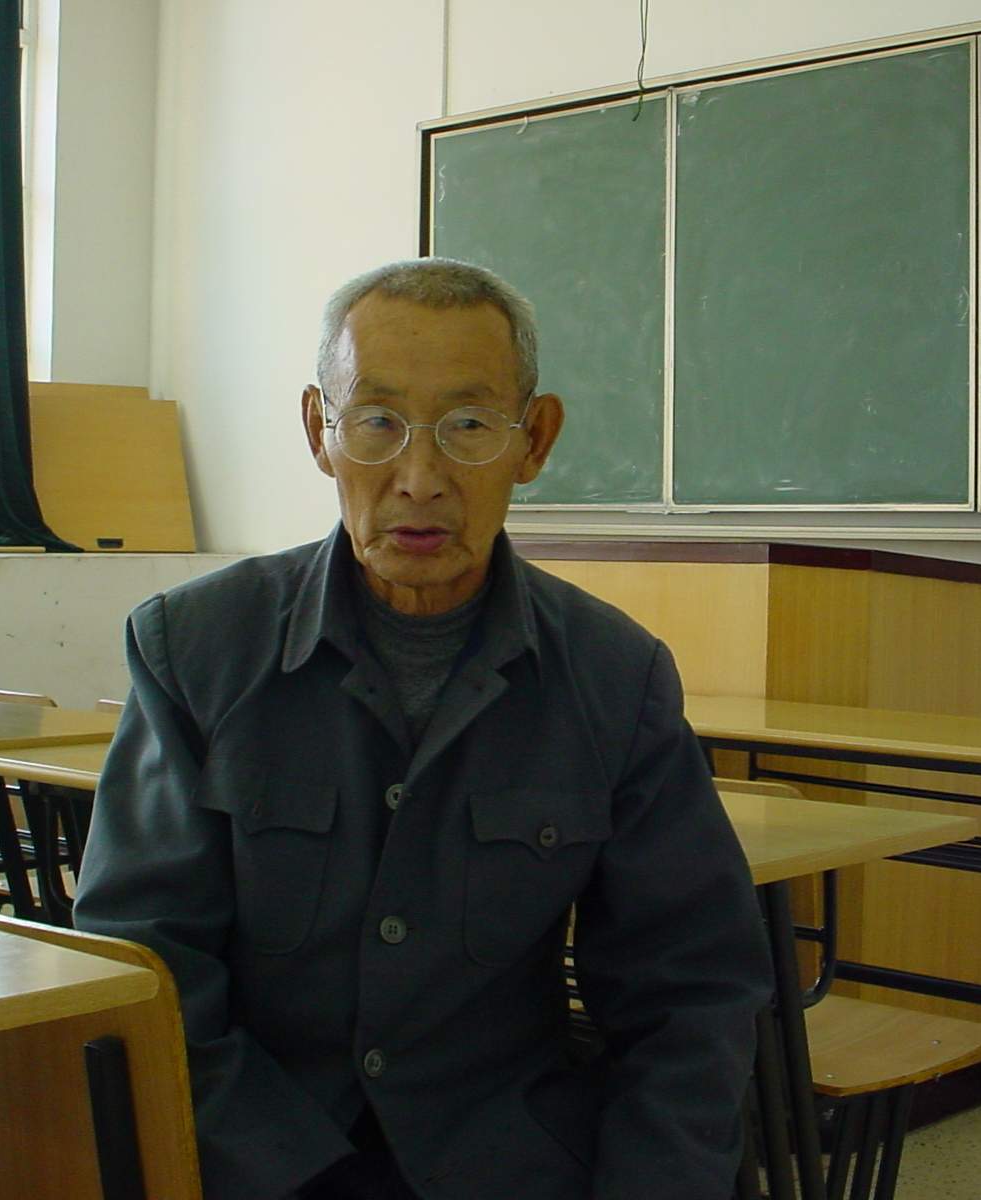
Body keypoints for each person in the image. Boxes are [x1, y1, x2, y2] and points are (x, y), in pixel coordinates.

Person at [72, 258, 772, 1199]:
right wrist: (289, 1174)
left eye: (469, 425)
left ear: (535, 440)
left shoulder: (615, 677)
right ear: (320, 431)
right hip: (262, 1160)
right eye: (377, 421)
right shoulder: (195, 649)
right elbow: (149, 963)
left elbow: (690, 991)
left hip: (507, 1160)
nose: (420, 478)